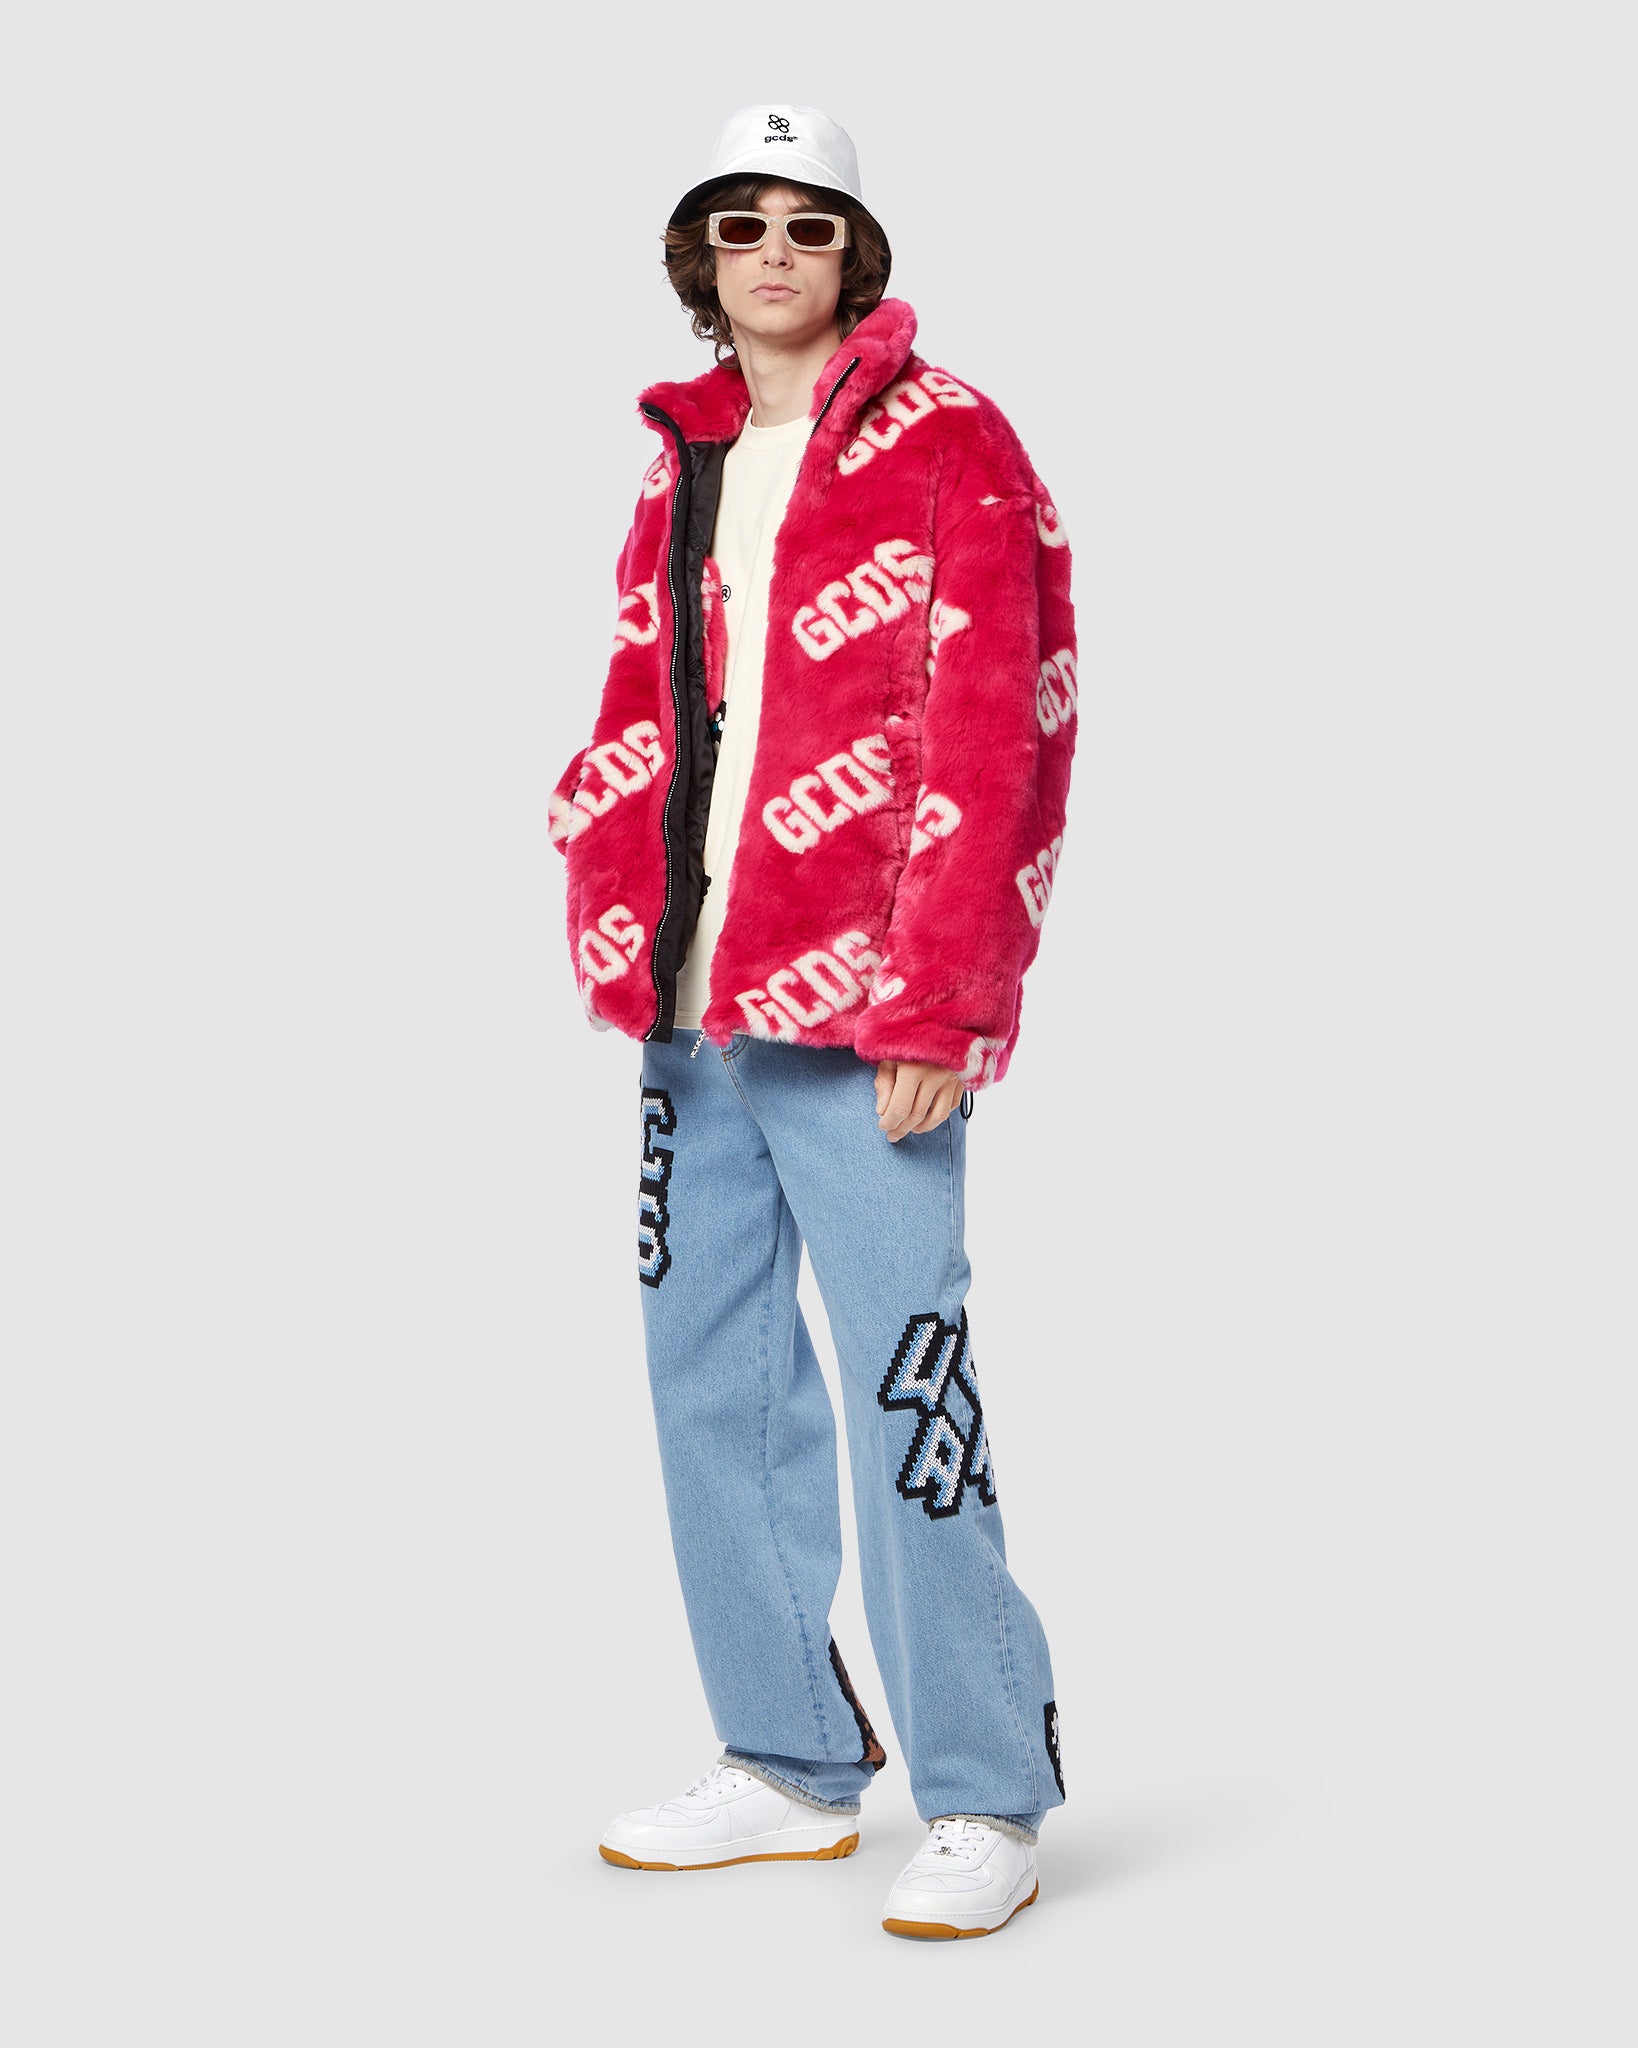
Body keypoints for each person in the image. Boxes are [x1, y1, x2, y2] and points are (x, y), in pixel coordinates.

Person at [548, 103, 1079, 1940]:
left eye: (808, 223)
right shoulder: (681, 454)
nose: (773, 252)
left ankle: (986, 1791)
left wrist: (949, 996)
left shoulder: (952, 440)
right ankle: (783, 1760)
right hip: (688, 1005)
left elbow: (1004, 729)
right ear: (698, 257)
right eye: (740, 223)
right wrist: (601, 872)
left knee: (902, 1381)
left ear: (854, 253)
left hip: (867, 1015)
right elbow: (645, 692)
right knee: (708, 1379)